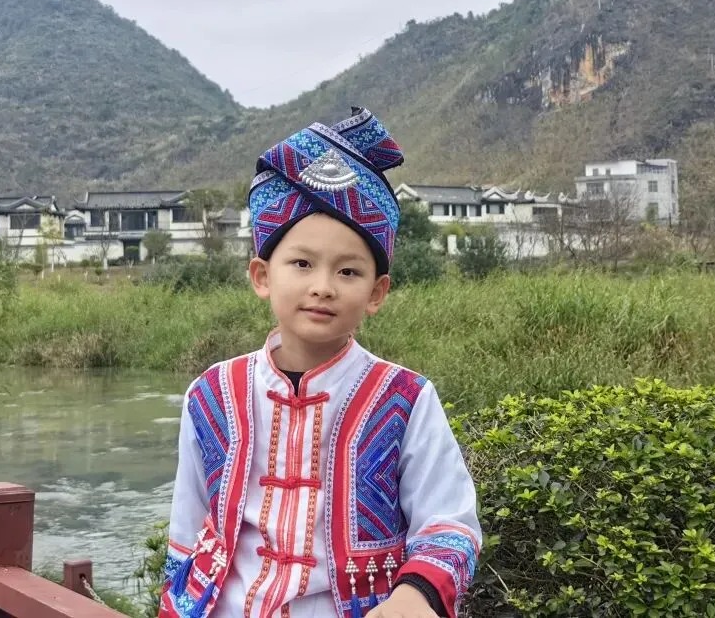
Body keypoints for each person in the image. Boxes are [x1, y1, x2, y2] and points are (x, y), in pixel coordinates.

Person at [159, 107, 481, 618]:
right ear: (262, 276)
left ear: (376, 292)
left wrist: (415, 595)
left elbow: (450, 523)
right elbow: (187, 528)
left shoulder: (406, 399)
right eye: (302, 263)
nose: (323, 286)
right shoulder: (211, 393)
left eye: (348, 271)